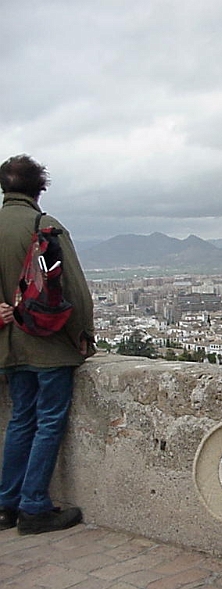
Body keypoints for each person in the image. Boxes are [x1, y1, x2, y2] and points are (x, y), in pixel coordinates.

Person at [0, 154, 95, 535]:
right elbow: (73, 288)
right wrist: (83, 335)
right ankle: (34, 505)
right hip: (48, 344)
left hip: (9, 348)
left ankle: (6, 503)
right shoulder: (45, 225)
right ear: (40, 188)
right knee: (48, 421)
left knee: (21, 419)